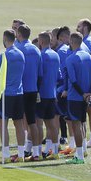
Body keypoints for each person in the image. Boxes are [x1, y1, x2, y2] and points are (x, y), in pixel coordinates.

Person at [64, 32, 91, 165]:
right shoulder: (89, 57)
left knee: (76, 125)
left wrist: (83, 93)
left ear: (72, 42)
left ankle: (79, 156)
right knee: (83, 123)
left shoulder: (70, 59)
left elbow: (72, 80)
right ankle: (83, 150)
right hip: (85, 98)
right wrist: (89, 93)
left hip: (74, 97)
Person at [0, 29, 26, 163]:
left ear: (5, 39)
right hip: (19, 93)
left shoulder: (4, 56)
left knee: (3, 124)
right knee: (19, 124)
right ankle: (21, 154)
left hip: (6, 94)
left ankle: (6, 155)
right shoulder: (21, 54)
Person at [14, 24, 42, 161]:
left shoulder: (18, 49)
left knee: (20, 122)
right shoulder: (36, 50)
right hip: (33, 89)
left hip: (20, 90)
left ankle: (22, 151)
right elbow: (40, 73)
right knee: (32, 121)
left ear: (19, 34)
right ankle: (36, 152)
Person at [37, 31, 62, 160]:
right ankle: (55, 151)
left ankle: (39, 152)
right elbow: (60, 77)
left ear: (40, 42)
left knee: (38, 123)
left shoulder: (41, 56)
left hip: (42, 94)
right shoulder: (56, 55)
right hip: (52, 94)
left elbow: (39, 75)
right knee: (51, 125)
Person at [77, 18, 91, 148]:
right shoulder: (90, 40)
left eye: (79, 26)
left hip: (88, 80)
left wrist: (89, 70)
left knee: (88, 108)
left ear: (85, 27)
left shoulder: (87, 41)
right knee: (89, 108)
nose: (77, 28)